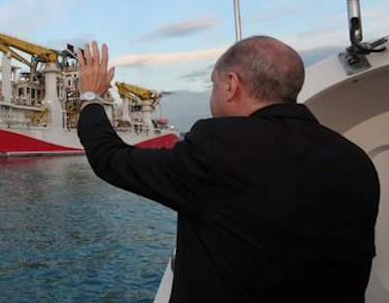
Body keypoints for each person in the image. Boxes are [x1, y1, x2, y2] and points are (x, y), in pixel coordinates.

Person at [75, 36, 379, 302]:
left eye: (213, 84)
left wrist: (90, 97)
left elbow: (110, 159)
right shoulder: (356, 160)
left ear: (231, 84)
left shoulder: (218, 146)